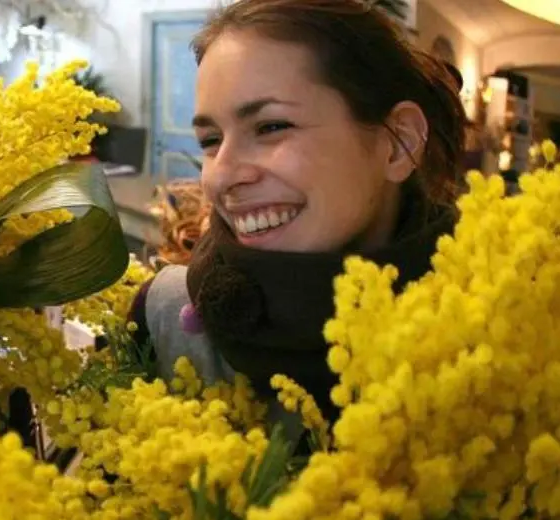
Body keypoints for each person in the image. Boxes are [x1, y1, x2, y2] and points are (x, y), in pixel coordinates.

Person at [130, 0, 467, 427]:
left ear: (398, 142)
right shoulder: (163, 320)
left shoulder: (501, 337)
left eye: (271, 127)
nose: (222, 176)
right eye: (211, 139)